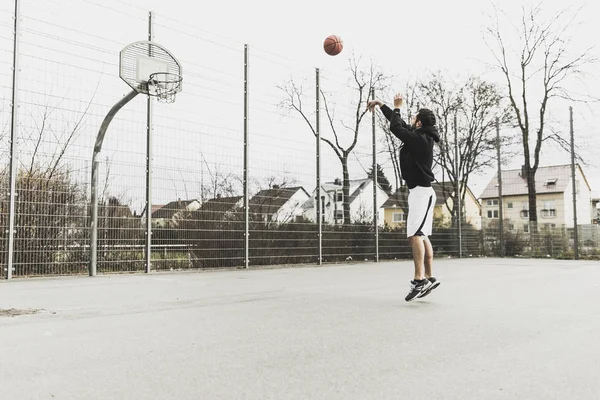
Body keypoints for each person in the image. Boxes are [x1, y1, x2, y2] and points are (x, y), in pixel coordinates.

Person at [367, 94, 441, 301]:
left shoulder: (420, 140)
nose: (411, 121)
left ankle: (419, 280)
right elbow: (397, 124)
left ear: (418, 123)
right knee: (421, 234)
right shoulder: (420, 136)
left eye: (414, 118)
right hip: (421, 192)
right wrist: (383, 106)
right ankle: (429, 276)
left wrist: (398, 107)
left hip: (421, 193)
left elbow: (396, 128)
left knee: (415, 235)